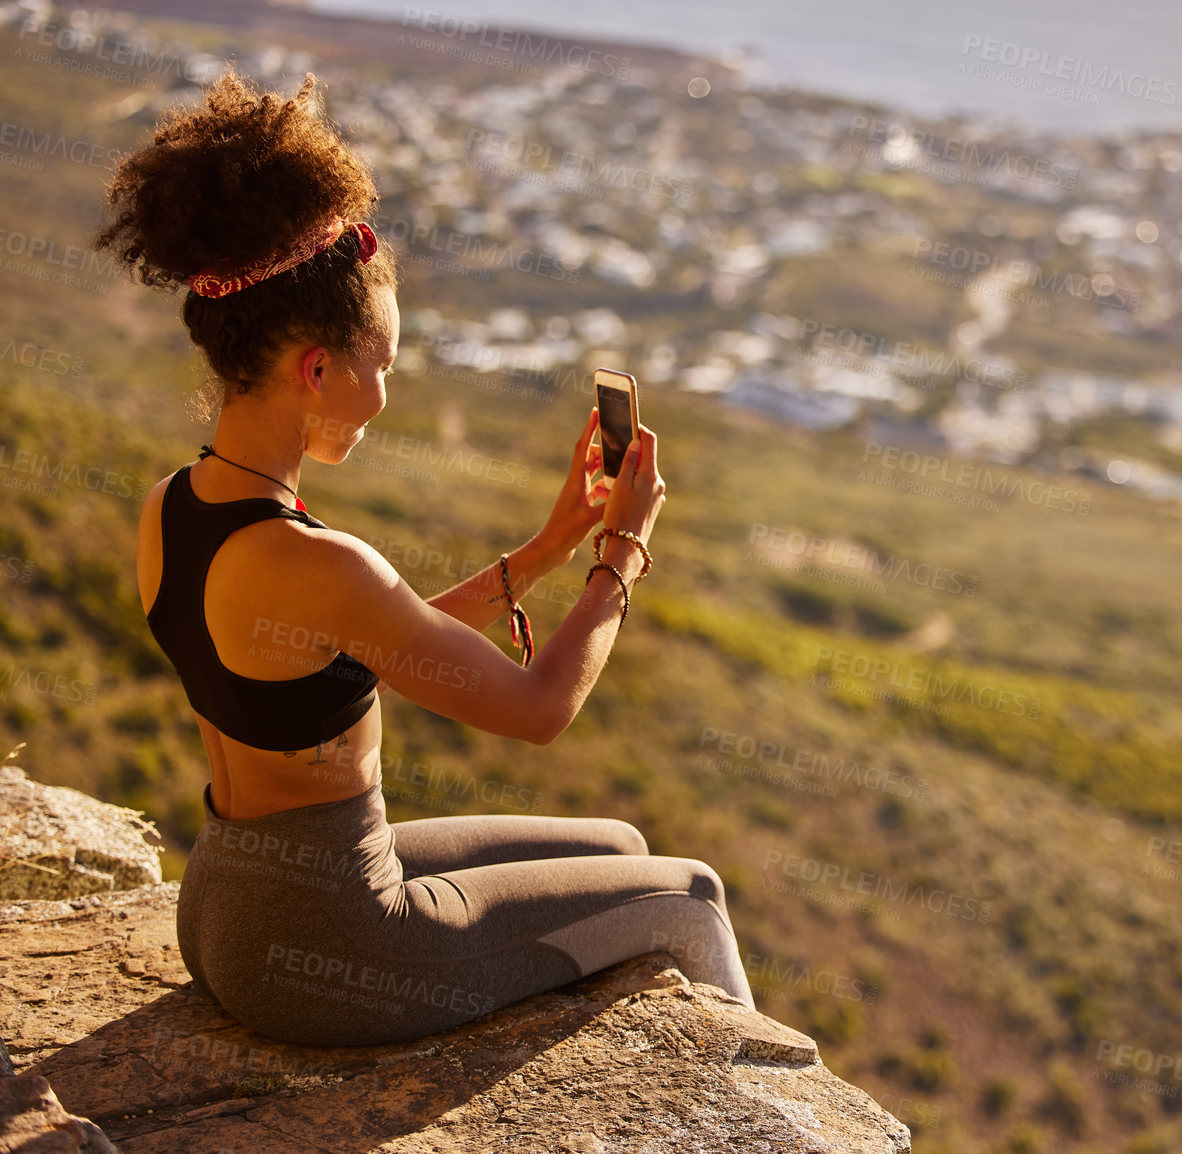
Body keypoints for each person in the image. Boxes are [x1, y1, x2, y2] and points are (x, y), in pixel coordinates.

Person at [96, 67, 754, 1047]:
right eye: (385, 364)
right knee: (690, 894)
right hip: (327, 938)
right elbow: (537, 713)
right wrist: (623, 553)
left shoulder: (173, 508)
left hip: (227, 900)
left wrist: (547, 548)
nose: (386, 392)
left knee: (621, 848)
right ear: (316, 367)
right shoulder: (322, 564)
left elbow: (347, 650)